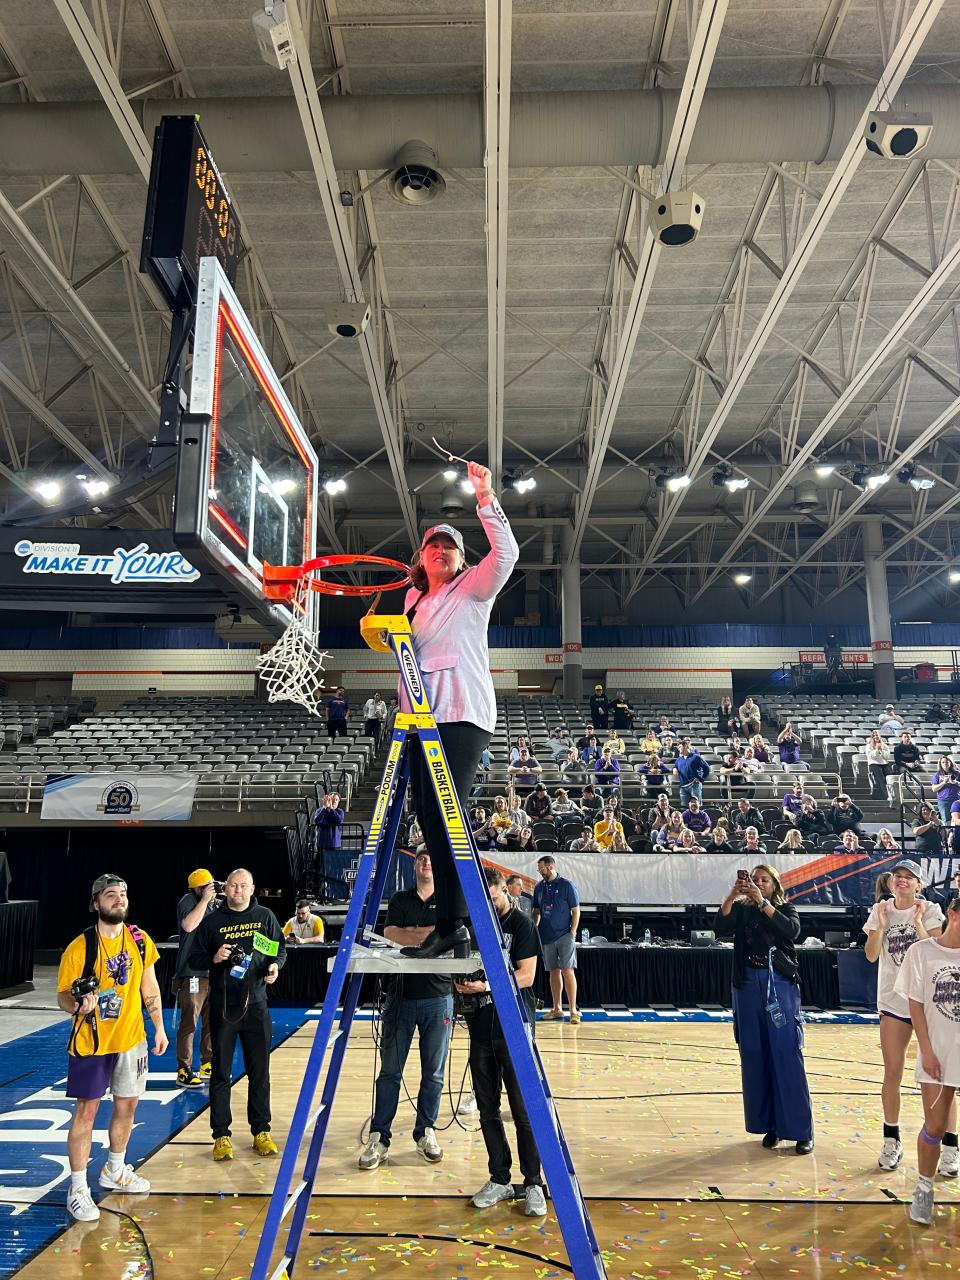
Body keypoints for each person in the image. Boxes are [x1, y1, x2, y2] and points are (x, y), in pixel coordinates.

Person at [398, 460, 519, 961]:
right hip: (420, 720)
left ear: (461, 558)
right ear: (421, 557)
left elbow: (507, 553)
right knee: (429, 820)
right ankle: (449, 924)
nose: (442, 551)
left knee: (450, 817)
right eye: (434, 546)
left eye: (450, 546)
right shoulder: (410, 599)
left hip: (462, 715)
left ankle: (461, 920)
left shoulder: (472, 589)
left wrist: (485, 495)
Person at [57, 874, 167, 1222]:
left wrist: (160, 1027)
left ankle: (115, 1170)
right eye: (110, 895)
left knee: (127, 1107)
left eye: (122, 894)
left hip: (132, 1039)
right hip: (92, 1043)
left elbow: (149, 985)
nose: (118, 899)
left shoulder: (139, 938)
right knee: (86, 1112)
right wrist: (78, 1006)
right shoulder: (80, 947)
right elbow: (62, 996)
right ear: (96, 903)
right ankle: (77, 1188)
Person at [455, 867, 546, 1216]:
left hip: (514, 1026)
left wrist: (488, 985)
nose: (490, 907)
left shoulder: (521, 925)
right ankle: (499, 1177)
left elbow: (526, 975)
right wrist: (461, 985)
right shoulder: (476, 924)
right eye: (485, 902)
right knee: (486, 1108)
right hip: (480, 1026)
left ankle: (533, 1182)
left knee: (523, 1110)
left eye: (494, 899)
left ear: (505, 892)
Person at [360, 851, 454, 1170]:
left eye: (431, 859)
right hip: (399, 997)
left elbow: (452, 938)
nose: (427, 863)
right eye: (421, 859)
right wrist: (430, 935)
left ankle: (425, 1131)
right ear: (414, 865)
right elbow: (391, 935)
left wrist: (413, 935)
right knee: (389, 1072)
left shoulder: (450, 900)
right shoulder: (400, 898)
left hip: (438, 995)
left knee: (434, 1073)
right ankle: (379, 1137)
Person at [862, 858, 954, 1176]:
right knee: (892, 1072)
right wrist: (882, 926)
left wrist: (915, 923)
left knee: (942, 1076)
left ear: (919, 885)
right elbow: (872, 954)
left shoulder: (929, 910)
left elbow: (936, 952)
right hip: (893, 1000)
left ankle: (950, 1145)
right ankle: (892, 1139)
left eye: (909, 877)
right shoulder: (881, 910)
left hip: (929, 1002)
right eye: (898, 876)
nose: (902, 880)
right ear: (891, 883)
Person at [715, 864, 814, 1154]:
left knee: (785, 1052)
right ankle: (770, 1124)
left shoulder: (786, 908)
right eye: (754, 880)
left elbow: (791, 930)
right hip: (746, 984)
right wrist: (733, 896)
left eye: (764, 880)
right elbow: (720, 928)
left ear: (774, 884)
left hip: (778, 984)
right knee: (755, 1053)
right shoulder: (743, 910)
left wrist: (763, 902)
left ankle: (799, 1130)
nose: (758, 883)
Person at [190, 868, 286, 1161]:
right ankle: (221, 1135)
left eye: (243, 885)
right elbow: (194, 957)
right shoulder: (213, 921)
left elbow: (278, 950)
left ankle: (261, 1131)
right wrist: (213, 957)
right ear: (225, 888)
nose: (238, 890)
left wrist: (275, 967)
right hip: (222, 1008)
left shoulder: (265, 917)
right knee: (220, 1073)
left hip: (256, 1006)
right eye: (233, 885)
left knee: (259, 1072)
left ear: (252, 887)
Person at [894, 893, 960, 1224]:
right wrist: (927, 1049)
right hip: (939, 1051)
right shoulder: (922, 952)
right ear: (951, 912)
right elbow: (916, 1004)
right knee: (935, 1124)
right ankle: (924, 1188)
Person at [174, 869, 218, 1088]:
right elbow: (189, 925)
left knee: (212, 1019)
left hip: (213, 970)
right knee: (190, 1020)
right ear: (198, 889)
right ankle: (184, 1068)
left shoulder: (214, 904)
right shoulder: (188, 900)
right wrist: (206, 900)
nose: (212, 889)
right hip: (192, 971)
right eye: (207, 886)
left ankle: (207, 1062)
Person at [532, 855, 581, 1024]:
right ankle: (557, 1008)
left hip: (565, 935)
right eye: (539, 869)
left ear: (551, 866)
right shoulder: (538, 887)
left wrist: (572, 932)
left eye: (542, 869)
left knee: (568, 970)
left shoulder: (567, 885)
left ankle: (573, 1010)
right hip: (546, 936)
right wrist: (534, 929)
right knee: (553, 971)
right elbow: (536, 911)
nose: (540, 872)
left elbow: (576, 910)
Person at [673, 742, 711, 809]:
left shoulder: (696, 757)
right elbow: (675, 766)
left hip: (694, 785)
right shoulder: (678, 760)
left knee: (697, 806)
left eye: (680, 747)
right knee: (684, 807)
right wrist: (674, 768)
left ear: (685, 746)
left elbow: (707, 768)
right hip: (683, 787)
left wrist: (701, 779)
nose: (678, 749)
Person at [314, 792, 344, 861]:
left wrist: (331, 809)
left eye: (336, 800)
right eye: (332, 799)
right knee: (322, 866)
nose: (334, 801)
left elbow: (339, 821)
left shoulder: (340, 811)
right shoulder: (319, 810)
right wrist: (324, 808)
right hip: (322, 843)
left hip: (335, 844)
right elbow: (317, 821)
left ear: (339, 801)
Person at [931, 755, 960, 825]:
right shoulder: (937, 775)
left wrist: (956, 782)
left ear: (950, 763)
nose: (945, 764)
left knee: (957, 820)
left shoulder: (957, 773)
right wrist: (943, 782)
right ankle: (947, 835)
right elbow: (934, 789)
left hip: (956, 801)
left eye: (947, 762)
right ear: (940, 764)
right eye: (943, 762)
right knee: (946, 821)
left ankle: (955, 835)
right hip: (943, 801)